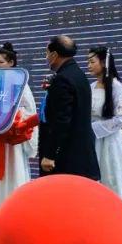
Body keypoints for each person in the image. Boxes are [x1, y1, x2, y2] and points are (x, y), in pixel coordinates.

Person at [37, 35, 100, 179]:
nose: (46, 58)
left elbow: (61, 120)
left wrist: (50, 154)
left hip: (66, 159)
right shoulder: (78, 75)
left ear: (54, 55)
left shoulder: (63, 79)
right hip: (80, 156)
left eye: (47, 53)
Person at [86, 46, 122, 218]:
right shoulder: (91, 87)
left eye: (92, 61)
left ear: (103, 62)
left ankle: (117, 220)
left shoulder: (116, 87)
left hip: (110, 142)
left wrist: (93, 129)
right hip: (92, 141)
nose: (88, 65)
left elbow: (121, 118)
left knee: (112, 178)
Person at [0, 43, 38, 214]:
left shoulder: (20, 82)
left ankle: (16, 211)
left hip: (13, 138)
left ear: (11, 63)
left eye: (1, 62)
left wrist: (13, 116)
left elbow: (30, 110)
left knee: (14, 170)